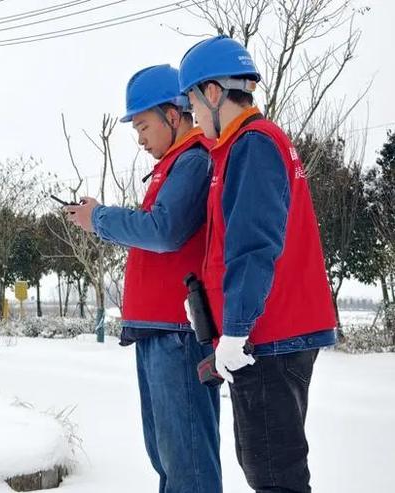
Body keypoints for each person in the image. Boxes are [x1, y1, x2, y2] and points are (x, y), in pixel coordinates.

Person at [178, 35, 337, 492]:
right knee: (267, 468)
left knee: (274, 476)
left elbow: (253, 245)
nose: (191, 117)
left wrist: (236, 331)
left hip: (269, 337)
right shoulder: (242, 148)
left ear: (213, 93)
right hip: (270, 334)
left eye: (191, 101)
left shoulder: (253, 146)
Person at [65, 64, 221, 493]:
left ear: (174, 115)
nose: (139, 137)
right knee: (168, 457)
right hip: (158, 331)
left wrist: (98, 218)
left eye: (143, 125)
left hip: (179, 333)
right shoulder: (172, 165)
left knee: (187, 461)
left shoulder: (192, 161)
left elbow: (163, 231)